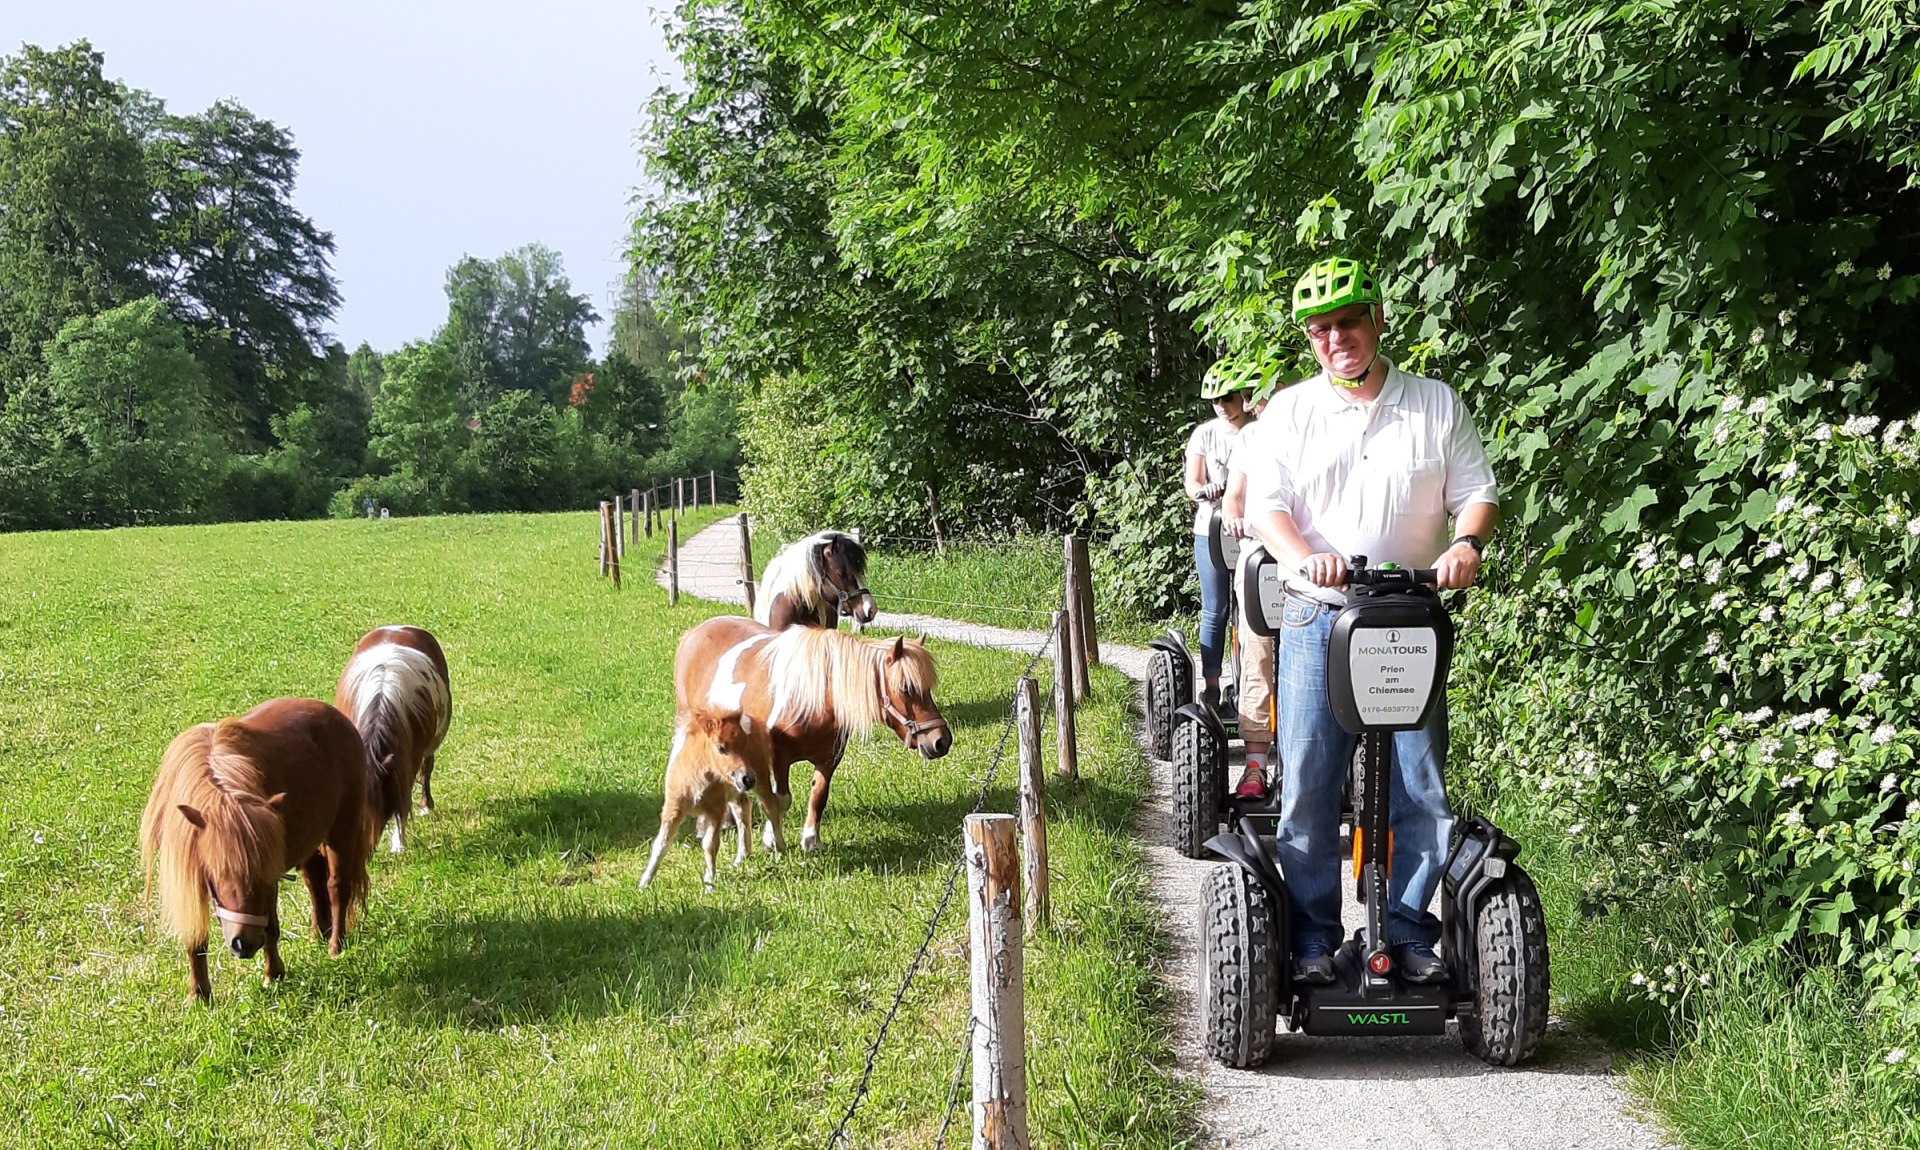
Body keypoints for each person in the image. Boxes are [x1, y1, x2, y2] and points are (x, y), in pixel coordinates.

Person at [1241, 256, 1498, 986]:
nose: (1336, 338)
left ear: (1378, 320)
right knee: (1311, 781)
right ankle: (1315, 941)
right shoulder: (1291, 410)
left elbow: (1477, 491)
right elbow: (1269, 508)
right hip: (1318, 614)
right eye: (1321, 330)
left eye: (1348, 322)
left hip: (1410, 614)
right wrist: (1304, 557)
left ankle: (1413, 937)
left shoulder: (1436, 403)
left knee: (1421, 784)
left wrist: (1465, 545)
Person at [1183, 361, 1257, 711]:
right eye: (1214, 400)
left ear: (1244, 395)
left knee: (1254, 612)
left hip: (1251, 532)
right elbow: (1191, 482)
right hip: (1211, 529)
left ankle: (1252, 685)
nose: (1222, 406)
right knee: (1216, 609)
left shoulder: (1260, 430)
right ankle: (1212, 685)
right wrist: (1205, 490)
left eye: (1227, 398)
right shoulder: (1205, 434)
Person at [1221, 374, 1281, 799]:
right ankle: (1255, 766)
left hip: (1315, 570)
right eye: (1256, 395)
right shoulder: (1251, 439)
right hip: (1262, 559)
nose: (1262, 401)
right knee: (1257, 653)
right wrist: (1234, 516)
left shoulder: (1316, 427)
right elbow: (1234, 495)